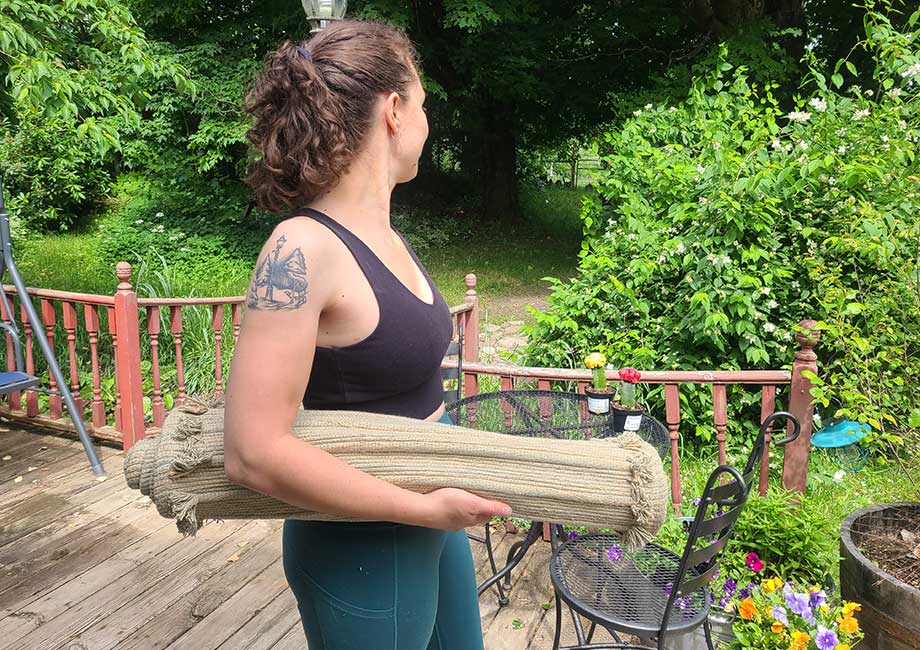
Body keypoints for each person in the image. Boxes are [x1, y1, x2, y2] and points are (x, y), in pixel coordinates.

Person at [222, 20, 512, 650]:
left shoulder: (387, 236)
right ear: (394, 110)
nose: (429, 125)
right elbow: (252, 451)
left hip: (436, 526)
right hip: (364, 547)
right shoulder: (301, 248)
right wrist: (423, 508)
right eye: (426, 106)